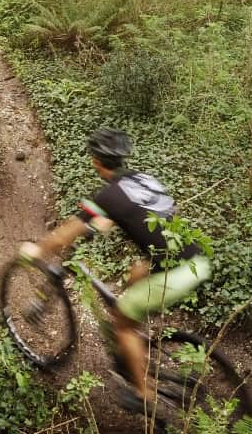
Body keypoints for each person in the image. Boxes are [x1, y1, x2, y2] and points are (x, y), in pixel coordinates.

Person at [18, 128, 211, 408]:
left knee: (121, 321)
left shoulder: (107, 196)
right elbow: (158, 214)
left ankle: (142, 393)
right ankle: (139, 344)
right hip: (195, 260)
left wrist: (37, 250)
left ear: (96, 161)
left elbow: (63, 236)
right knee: (135, 276)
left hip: (175, 273)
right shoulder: (144, 180)